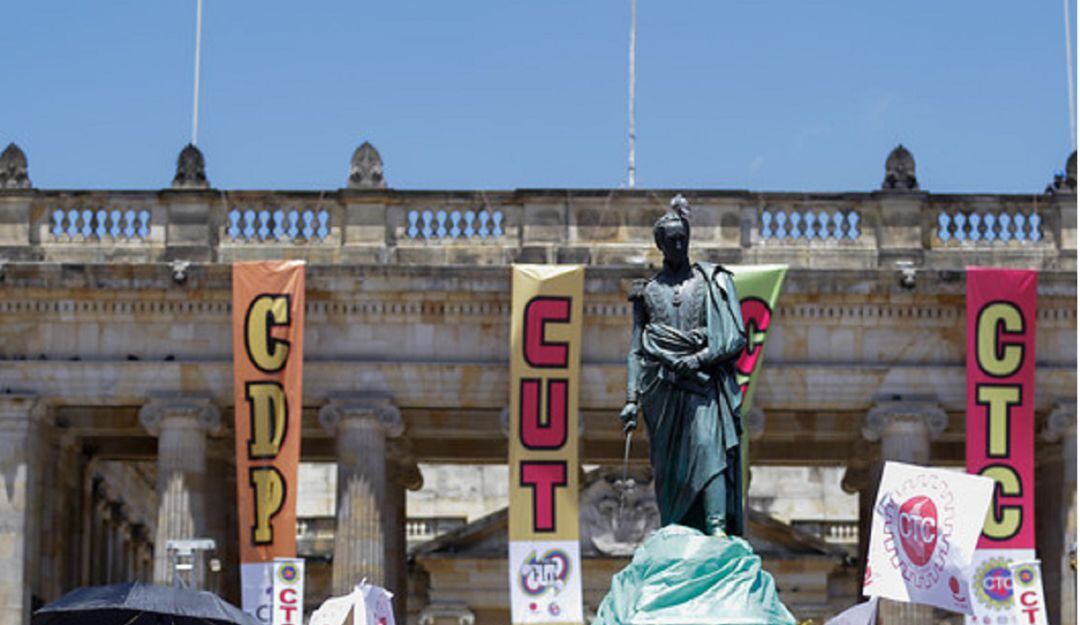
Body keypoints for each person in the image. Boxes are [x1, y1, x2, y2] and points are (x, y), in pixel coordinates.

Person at [619, 194, 748, 537]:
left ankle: (717, 528)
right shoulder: (646, 293)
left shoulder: (713, 281)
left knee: (709, 446)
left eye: (682, 239)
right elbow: (637, 349)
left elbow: (735, 336)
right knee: (669, 468)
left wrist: (698, 359)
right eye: (671, 241)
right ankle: (674, 530)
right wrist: (631, 399)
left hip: (703, 385)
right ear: (660, 245)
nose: (678, 245)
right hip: (663, 390)